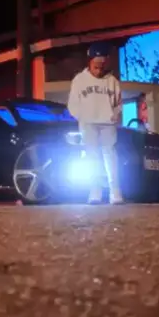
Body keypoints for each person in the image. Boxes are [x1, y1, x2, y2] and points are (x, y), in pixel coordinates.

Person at [67, 42, 124, 204]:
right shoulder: (79, 80)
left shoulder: (112, 81)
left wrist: (114, 115)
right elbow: (72, 104)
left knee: (110, 155)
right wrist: (82, 116)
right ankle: (95, 191)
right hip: (88, 123)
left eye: (102, 67)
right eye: (96, 67)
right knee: (92, 156)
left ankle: (115, 192)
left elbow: (119, 103)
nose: (99, 70)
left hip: (108, 123)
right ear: (90, 62)